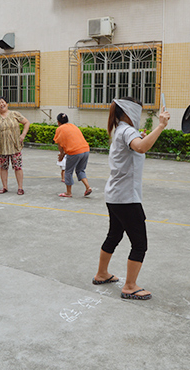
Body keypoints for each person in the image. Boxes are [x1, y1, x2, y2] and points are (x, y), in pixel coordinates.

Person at [92, 97, 170, 300]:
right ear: (129, 111)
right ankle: (129, 286)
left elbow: (138, 145)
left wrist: (143, 136)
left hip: (115, 195)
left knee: (114, 235)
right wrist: (161, 125)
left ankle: (102, 274)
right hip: (126, 198)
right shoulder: (127, 130)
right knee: (140, 244)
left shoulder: (121, 129)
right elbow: (142, 147)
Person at [0, 96, 30, 195]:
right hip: (1, 147)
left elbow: (26, 122)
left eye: (3, 102)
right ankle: (4, 187)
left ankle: (20, 187)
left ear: (7, 104)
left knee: (17, 167)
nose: (2, 104)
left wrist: (23, 134)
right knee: (3, 167)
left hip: (15, 146)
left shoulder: (15, 114)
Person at [53, 113, 92, 197]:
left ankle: (68, 192)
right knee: (80, 170)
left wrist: (61, 155)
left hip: (74, 152)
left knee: (68, 171)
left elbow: (60, 144)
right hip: (85, 150)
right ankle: (88, 187)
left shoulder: (60, 129)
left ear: (58, 122)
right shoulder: (73, 126)